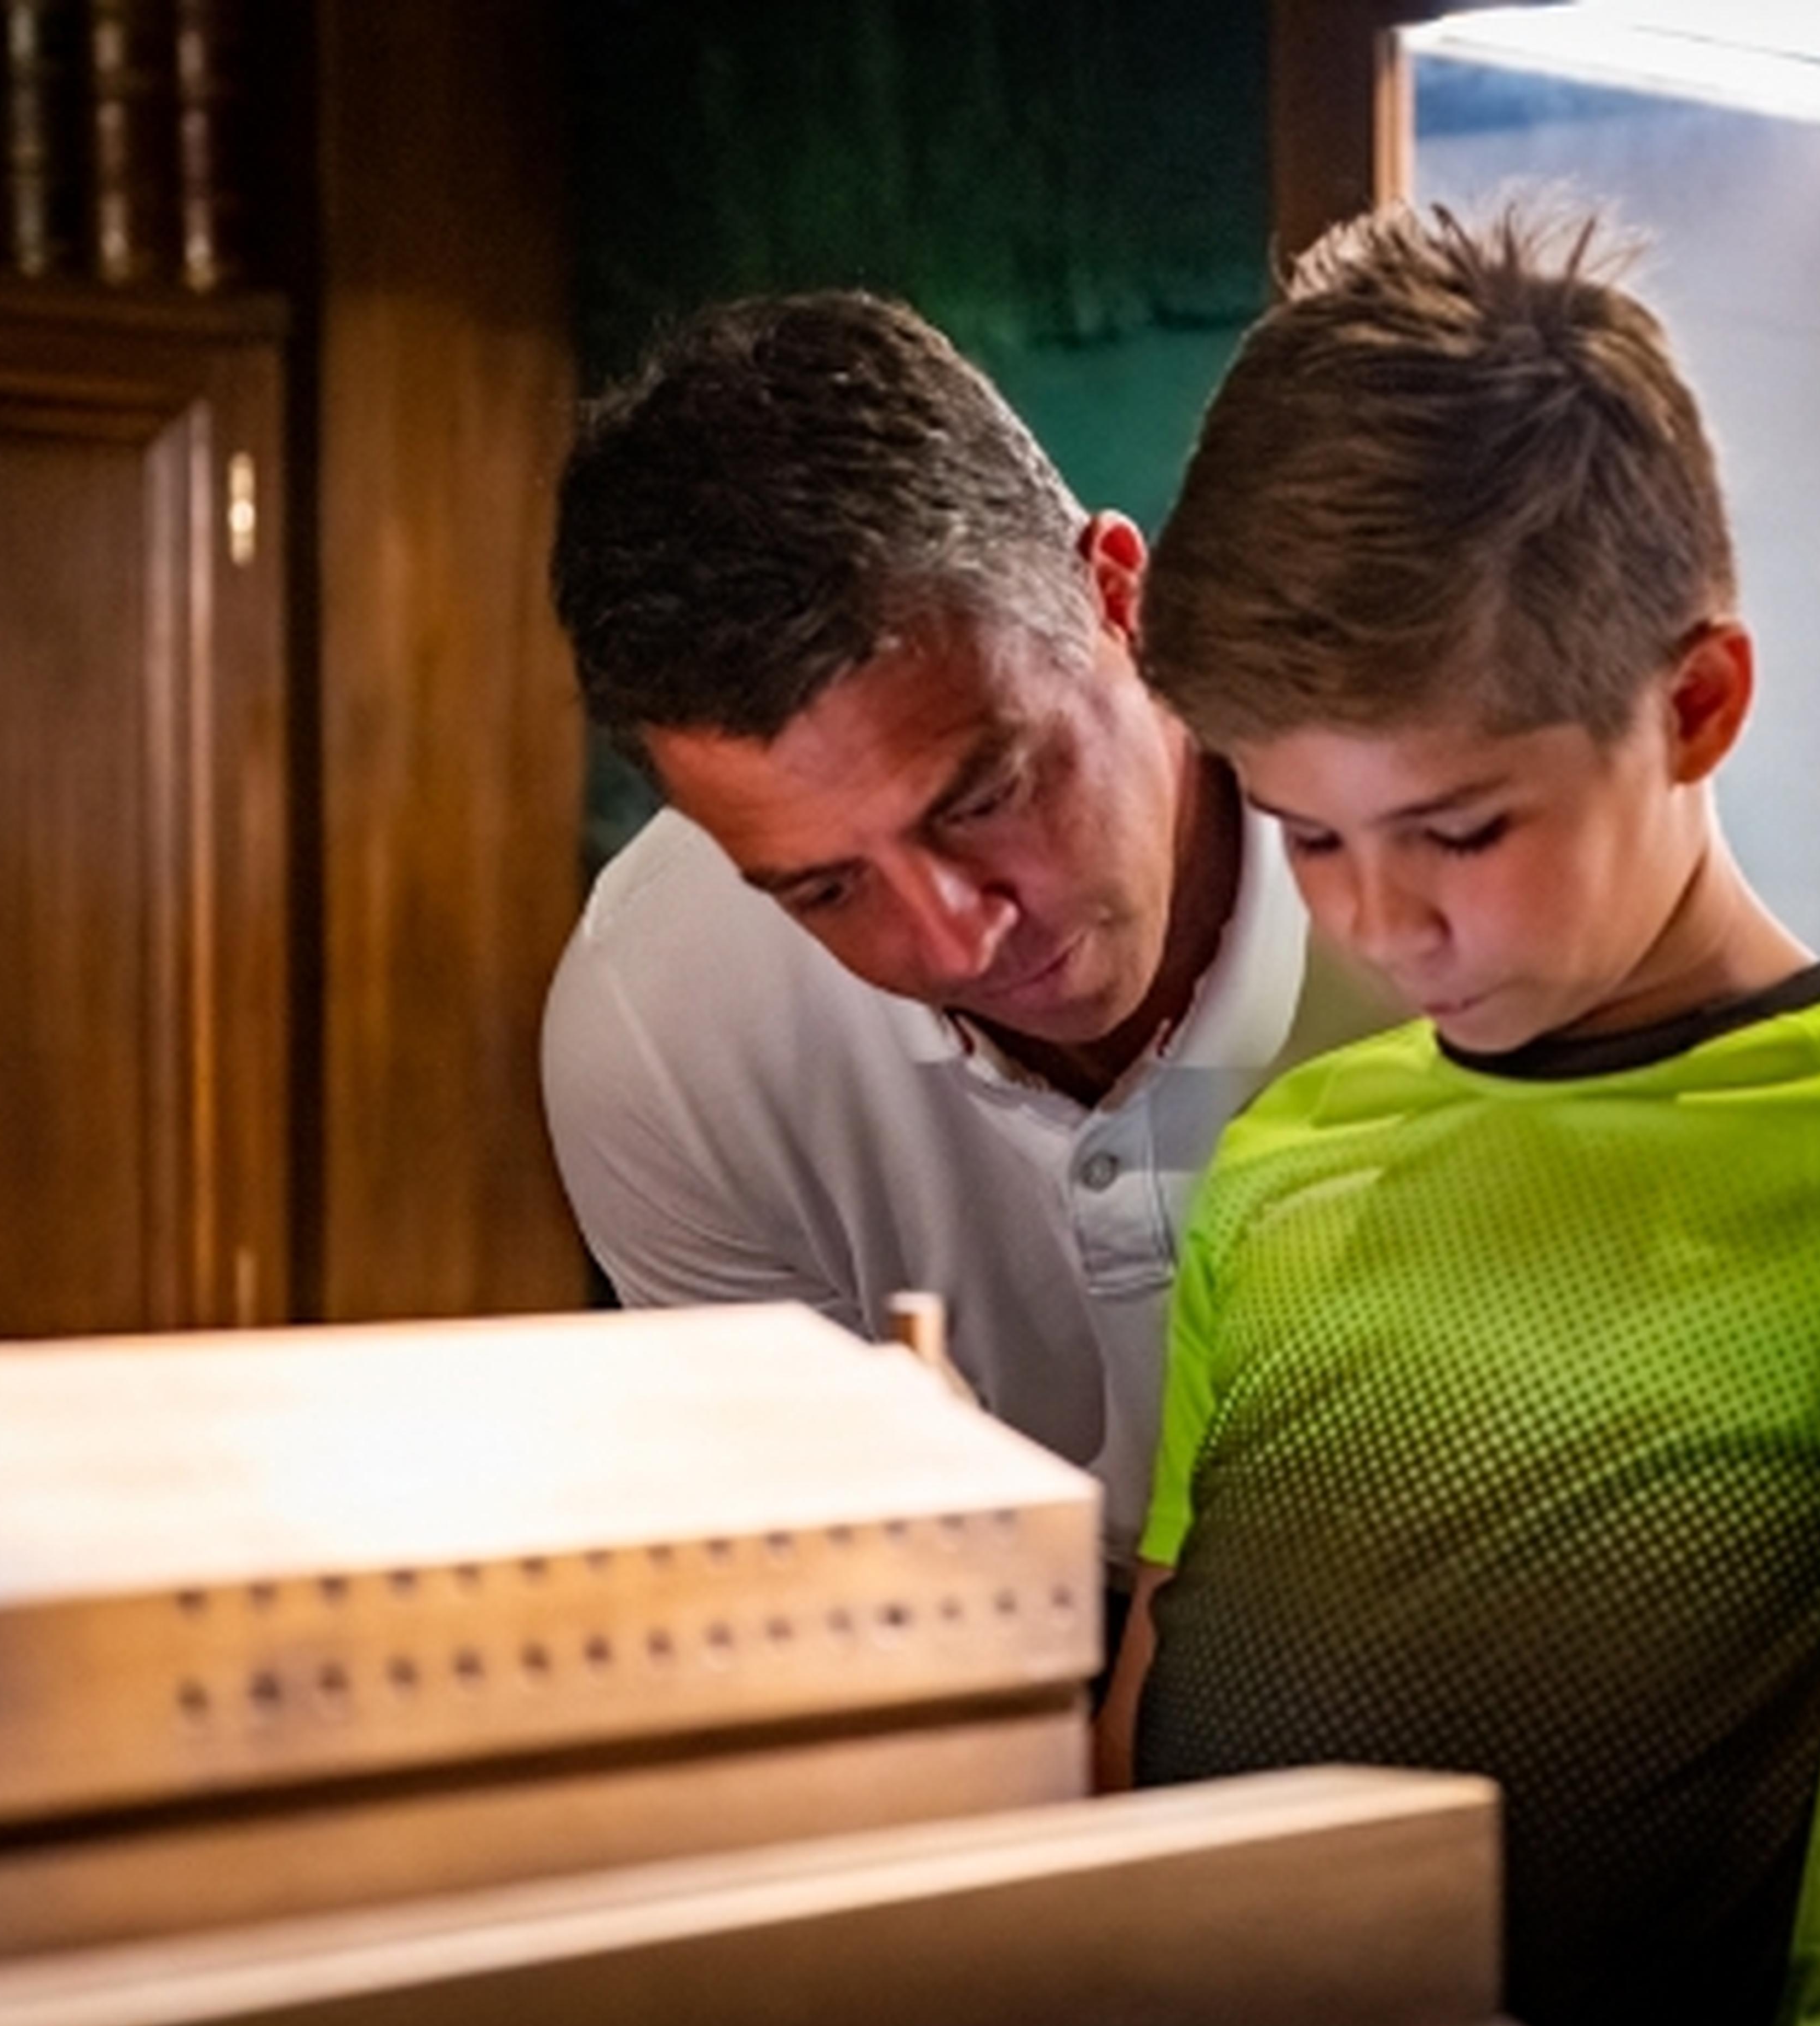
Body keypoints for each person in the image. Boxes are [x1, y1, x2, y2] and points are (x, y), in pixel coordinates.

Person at [1095, 203, 1820, 2026]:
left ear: (1695, 704)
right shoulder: (1288, 1151)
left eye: (1459, 831)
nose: (1377, 920)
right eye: (1309, 834)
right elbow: (1159, 1700)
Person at [543, 289, 1385, 1585]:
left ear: (1120, 598)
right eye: (825, 891)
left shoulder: (1447, 857)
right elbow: (828, 1589)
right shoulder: (660, 1023)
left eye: (985, 798)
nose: (951, 943)